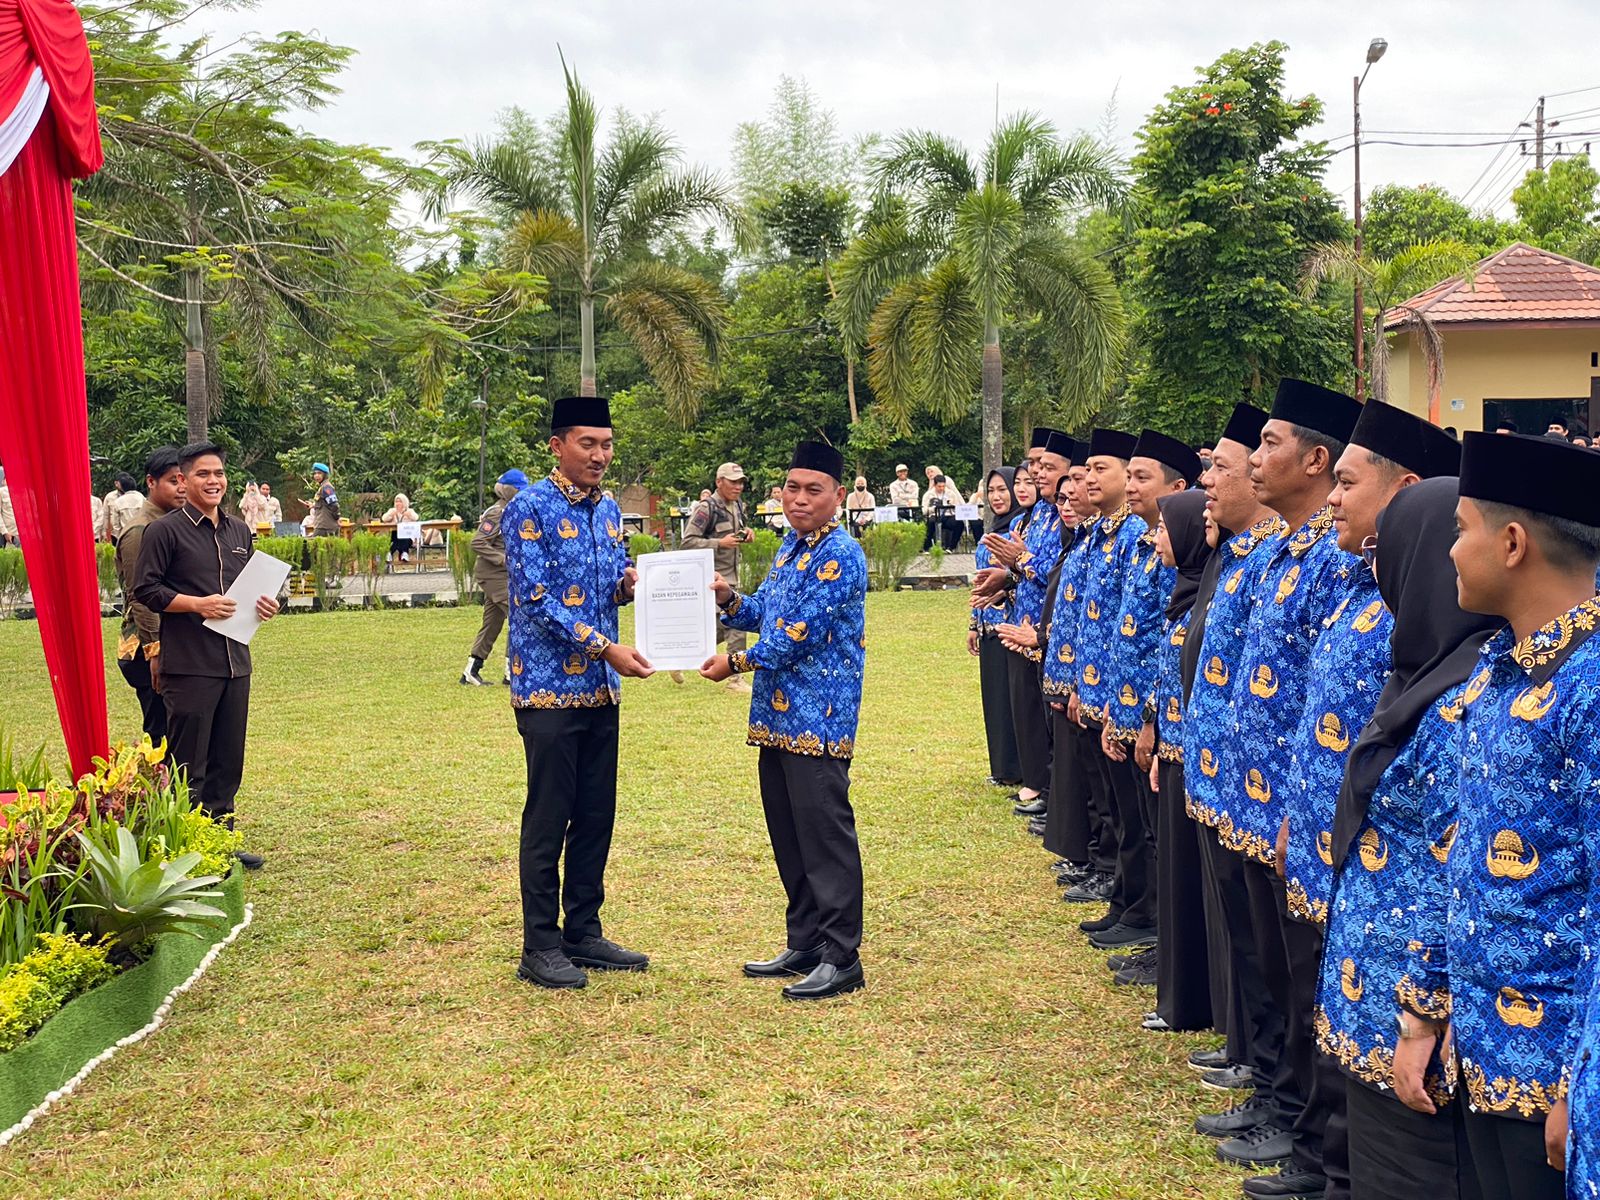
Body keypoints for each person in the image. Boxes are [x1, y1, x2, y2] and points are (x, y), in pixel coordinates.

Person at [1394, 432, 1600, 1200]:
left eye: (1460, 530)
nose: (1448, 552)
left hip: (1555, 1077)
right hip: (1480, 1050)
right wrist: (1424, 1010)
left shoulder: (1589, 687)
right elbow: (1454, 853)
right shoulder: (1496, 669)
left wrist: (1585, 1087)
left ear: (1512, 543)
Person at [1317, 478, 1497, 1200]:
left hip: (1412, 1028)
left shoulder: (1466, 696)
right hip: (1374, 1004)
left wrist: (1424, 1011)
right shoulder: (1423, 675)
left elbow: (1457, 871)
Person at [1212, 379, 1361, 1192]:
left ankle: (1297, 1123)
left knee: (1301, 981)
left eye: (1271, 443)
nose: (1255, 457)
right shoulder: (1281, 552)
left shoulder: (1336, 567)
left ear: (1315, 458)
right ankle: (1273, 1094)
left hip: (1292, 813)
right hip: (1253, 795)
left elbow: (1325, 702)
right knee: (1267, 965)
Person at [700, 440, 870, 1001]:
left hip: (818, 716)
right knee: (790, 832)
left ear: (838, 496)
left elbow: (798, 634)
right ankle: (807, 940)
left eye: (813, 490)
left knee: (824, 834)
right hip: (776, 715)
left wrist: (736, 661)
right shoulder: (792, 548)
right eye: (792, 488)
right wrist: (729, 600)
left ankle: (842, 955)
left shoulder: (840, 553)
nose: (799, 500)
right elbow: (768, 613)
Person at [502, 397, 652, 990]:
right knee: (549, 815)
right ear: (557, 446)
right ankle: (539, 944)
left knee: (595, 814)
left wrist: (631, 584)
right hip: (547, 690)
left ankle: (582, 932)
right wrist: (604, 646)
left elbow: (606, 589)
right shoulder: (529, 508)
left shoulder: (610, 508)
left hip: (601, 689)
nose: (599, 455)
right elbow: (535, 600)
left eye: (607, 445)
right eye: (588, 444)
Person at [1185, 402, 1292, 1151]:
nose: (1223, 473)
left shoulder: (1302, 559)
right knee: (1255, 956)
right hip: (1230, 785)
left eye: (1224, 464)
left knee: (1282, 968)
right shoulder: (1254, 557)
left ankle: (1288, 1113)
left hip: (1272, 801)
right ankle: (1265, 1082)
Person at [132, 441, 279, 871]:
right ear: (183, 480)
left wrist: (268, 605)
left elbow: (253, 586)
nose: (212, 481)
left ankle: (221, 845)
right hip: (190, 665)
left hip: (235, 662)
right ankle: (185, 853)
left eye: (218, 473)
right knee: (188, 765)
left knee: (227, 760)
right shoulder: (164, 532)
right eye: (202, 474)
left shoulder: (238, 531)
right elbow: (146, 590)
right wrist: (197, 604)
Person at [977, 429, 1072, 817]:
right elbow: (1027, 570)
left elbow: (1055, 573)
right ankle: (1040, 785)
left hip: (1046, 633)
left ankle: (1049, 792)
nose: (1036, 473)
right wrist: (1006, 579)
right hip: (1022, 625)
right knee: (1030, 715)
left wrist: (1020, 563)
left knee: (1049, 721)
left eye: (1045, 466)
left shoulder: (1065, 518)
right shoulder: (1036, 517)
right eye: (1034, 465)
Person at [1146, 488, 1214, 1029]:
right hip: (1172, 755)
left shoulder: (1204, 597)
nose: (1157, 536)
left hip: (1196, 762)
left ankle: (1192, 1003)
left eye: (1167, 528)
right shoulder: (1185, 592)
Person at [113, 446, 186, 746]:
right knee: (163, 739)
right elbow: (141, 596)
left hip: (174, 644)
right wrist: (154, 651)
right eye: (172, 480)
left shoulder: (175, 524)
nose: (181, 487)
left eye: (184, 479)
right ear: (151, 482)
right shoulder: (140, 532)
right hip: (146, 649)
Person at [971, 468, 1023, 788]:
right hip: (988, 627)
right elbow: (979, 582)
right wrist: (973, 626)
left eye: (1003, 489)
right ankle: (1001, 766)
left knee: (1011, 700)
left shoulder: (1020, 530)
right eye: (991, 491)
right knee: (993, 698)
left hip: (1012, 628)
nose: (997, 497)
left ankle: (1017, 768)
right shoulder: (991, 530)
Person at [681, 462, 752, 685]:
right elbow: (688, 542)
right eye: (733, 481)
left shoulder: (738, 505)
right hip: (712, 578)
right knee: (736, 625)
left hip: (733, 574)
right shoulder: (706, 507)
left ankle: (680, 658)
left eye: (741, 481)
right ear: (719, 482)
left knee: (721, 628)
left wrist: (746, 533)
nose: (738, 486)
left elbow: (737, 531)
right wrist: (719, 543)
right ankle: (736, 679)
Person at [462, 469, 528, 687]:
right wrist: (503, 559)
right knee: (519, 616)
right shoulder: (497, 512)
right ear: (508, 490)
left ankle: (471, 670)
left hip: (504, 575)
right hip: (493, 574)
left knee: (492, 623)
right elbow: (478, 542)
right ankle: (512, 672)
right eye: (518, 490)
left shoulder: (512, 510)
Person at [922, 474, 963, 551]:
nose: (941, 488)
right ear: (935, 485)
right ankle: (926, 547)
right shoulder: (928, 495)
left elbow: (958, 508)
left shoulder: (951, 493)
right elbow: (924, 511)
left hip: (948, 515)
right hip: (934, 515)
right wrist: (933, 509)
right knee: (930, 523)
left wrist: (952, 504)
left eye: (943, 486)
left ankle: (951, 547)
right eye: (939, 486)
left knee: (959, 523)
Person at [301, 462, 340, 536]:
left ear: (325, 475)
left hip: (325, 527)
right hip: (321, 525)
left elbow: (334, 505)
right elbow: (323, 504)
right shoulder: (322, 487)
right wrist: (313, 505)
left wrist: (336, 518)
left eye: (319, 473)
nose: (316, 476)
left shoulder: (326, 487)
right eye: (315, 473)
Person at [103, 472, 143, 542]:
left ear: (122, 485)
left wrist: (119, 538)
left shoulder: (118, 502)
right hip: (141, 533)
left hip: (124, 535)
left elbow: (116, 524)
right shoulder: (142, 498)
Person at [382, 492, 421, 562]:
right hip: (395, 536)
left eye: (400, 501)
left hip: (408, 537)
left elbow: (416, 517)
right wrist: (391, 515)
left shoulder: (409, 511)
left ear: (404, 502)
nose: (398, 503)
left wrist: (409, 515)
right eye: (396, 501)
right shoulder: (392, 510)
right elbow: (384, 518)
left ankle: (390, 553)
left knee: (403, 535)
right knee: (396, 534)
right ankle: (404, 553)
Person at [0, 467, 14, 548]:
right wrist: (5, 532)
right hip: (10, 536)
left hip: (23, 536)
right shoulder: (2, 491)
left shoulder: (23, 491)